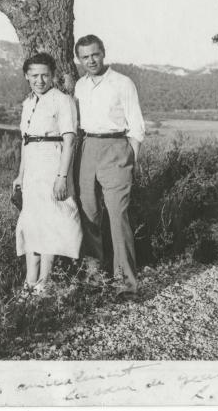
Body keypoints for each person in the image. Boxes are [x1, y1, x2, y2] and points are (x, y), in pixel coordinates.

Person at [74, 34, 145, 297]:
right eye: (85, 57)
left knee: (118, 217)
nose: (91, 60)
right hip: (88, 148)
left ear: (103, 53)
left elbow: (136, 127)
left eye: (95, 54)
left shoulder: (122, 83)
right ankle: (94, 278)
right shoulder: (80, 86)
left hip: (116, 149)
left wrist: (129, 159)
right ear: (79, 60)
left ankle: (126, 283)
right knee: (89, 214)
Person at [13, 52, 82, 294]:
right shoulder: (28, 103)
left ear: (52, 75)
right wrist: (20, 175)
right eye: (34, 75)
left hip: (53, 163)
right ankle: (30, 281)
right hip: (32, 168)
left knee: (52, 220)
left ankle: (45, 281)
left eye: (45, 75)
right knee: (32, 221)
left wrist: (62, 176)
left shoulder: (63, 100)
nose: (39, 80)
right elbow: (25, 141)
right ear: (26, 76)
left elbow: (70, 140)